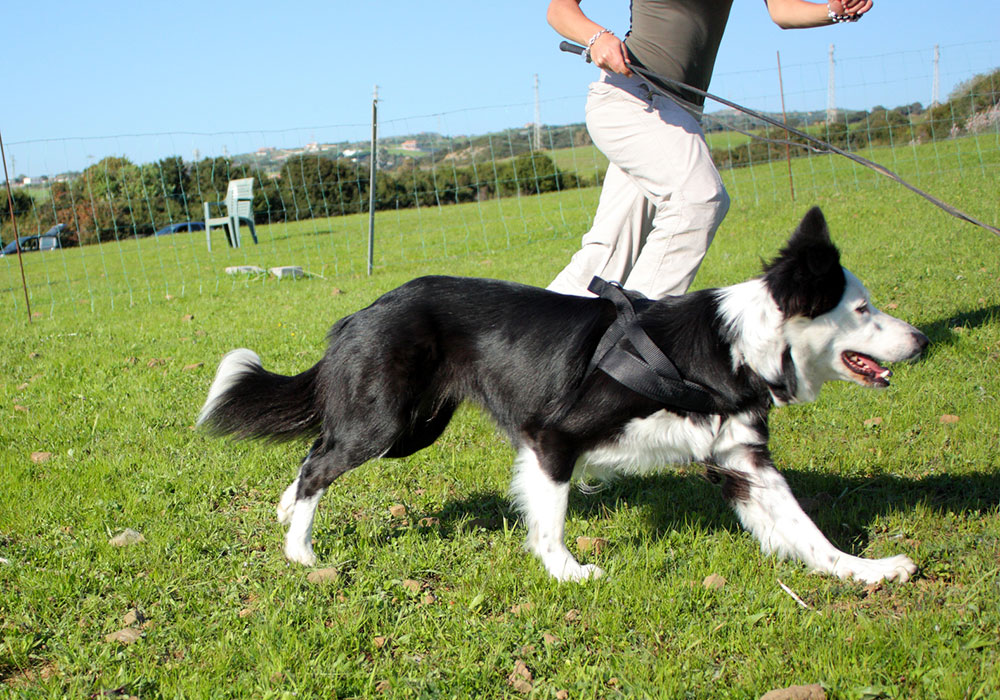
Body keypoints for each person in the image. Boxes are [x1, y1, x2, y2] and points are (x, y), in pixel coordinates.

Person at [546, 0, 875, 298]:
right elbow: (559, 9)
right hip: (631, 98)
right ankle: (639, 331)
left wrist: (834, 10)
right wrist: (597, 37)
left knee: (608, 249)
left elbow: (782, 11)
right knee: (700, 199)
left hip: (680, 113)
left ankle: (535, 340)